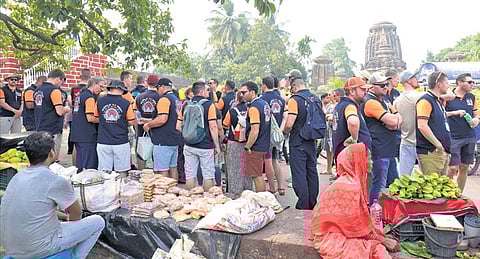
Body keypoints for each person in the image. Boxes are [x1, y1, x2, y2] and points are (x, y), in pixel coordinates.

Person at [0, 131, 105, 259]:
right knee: (98, 222)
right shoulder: (56, 181)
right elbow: (76, 214)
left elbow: (35, 211)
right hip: (37, 248)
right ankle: (76, 256)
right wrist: (70, 225)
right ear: (51, 153)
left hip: (10, 247)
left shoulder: (17, 176)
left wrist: (62, 217)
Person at [311, 143, 391, 259]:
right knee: (377, 250)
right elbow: (356, 227)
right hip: (333, 237)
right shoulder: (352, 186)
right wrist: (381, 240)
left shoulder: (347, 180)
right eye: (367, 158)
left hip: (329, 231)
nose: (371, 162)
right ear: (357, 161)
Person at [361, 72, 402, 204]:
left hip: (388, 149)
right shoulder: (370, 102)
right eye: (382, 85)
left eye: (386, 84)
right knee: (379, 185)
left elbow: (398, 117)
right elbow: (392, 121)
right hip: (380, 150)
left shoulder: (384, 99)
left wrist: (394, 122)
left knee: (393, 185)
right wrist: (393, 122)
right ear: (372, 87)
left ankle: (387, 213)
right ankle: (374, 211)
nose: (386, 87)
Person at [283, 77, 319, 209]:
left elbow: (290, 122)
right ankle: (312, 202)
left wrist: (285, 132)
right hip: (312, 140)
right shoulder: (316, 98)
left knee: (299, 174)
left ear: (294, 87)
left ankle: (303, 205)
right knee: (312, 172)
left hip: (298, 141)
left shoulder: (295, 100)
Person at [177, 81, 220, 190]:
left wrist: (189, 134)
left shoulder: (186, 104)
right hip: (206, 145)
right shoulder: (209, 105)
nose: (208, 92)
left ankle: (190, 200)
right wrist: (217, 146)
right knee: (208, 175)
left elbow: (178, 126)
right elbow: (213, 126)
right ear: (201, 91)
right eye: (207, 90)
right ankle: (207, 201)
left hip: (189, 145)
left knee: (190, 175)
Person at [445, 73, 479, 192]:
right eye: (469, 82)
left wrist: (476, 119)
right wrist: (454, 113)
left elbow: (476, 113)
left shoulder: (471, 97)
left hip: (469, 136)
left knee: (464, 167)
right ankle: (447, 193)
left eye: (473, 82)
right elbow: (440, 114)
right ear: (460, 82)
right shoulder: (449, 97)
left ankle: (458, 194)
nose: (472, 85)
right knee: (452, 168)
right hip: (453, 137)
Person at [416, 71, 454, 176]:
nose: (448, 86)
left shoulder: (438, 101)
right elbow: (422, 125)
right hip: (431, 151)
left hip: (442, 151)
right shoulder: (425, 101)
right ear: (439, 84)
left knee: (441, 185)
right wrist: (437, 144)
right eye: (446, 83)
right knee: (431, 185)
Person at [143, 78, 181, 179]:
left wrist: (149, 125)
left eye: (158, 88)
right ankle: (173, 190)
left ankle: (163, 193)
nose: (157, 91)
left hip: (163, 140)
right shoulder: (176, 99)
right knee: (173, 167)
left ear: (162, 87)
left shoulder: (164, 99)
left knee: (162, 170)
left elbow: (162, 119)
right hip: (174, 138)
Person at [95, 80, 136, 174]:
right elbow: (131, 121)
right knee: (121, 171)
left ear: (110, 89)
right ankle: (120, 187)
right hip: (120, 141)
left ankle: (106, 188)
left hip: (103, 141)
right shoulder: (126, 103)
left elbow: (96, 117)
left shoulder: (100, 101)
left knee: (105, 172)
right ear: (121, 90)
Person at [70, 76, 106, 172]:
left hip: (77, 133)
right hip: (87, 135)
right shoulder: (90, 98)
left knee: (80, 165)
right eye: (101, 87)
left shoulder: (80, 95)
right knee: (89, 167)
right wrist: (105, 120)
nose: (102, 90)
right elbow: (90, 118)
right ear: (94, 84)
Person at [241, 81, 272, 193]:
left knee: (256, 175)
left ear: (252, 92)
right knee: (259, 174)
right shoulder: (264, 104)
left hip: (256, 145)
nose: (241, 95)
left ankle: (261, 200)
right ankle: (262, 198)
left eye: (244, 92)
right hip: (264, 143)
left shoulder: (254, 108)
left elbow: (255, 129)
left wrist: (248, 146)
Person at [34, 69, 71, 161]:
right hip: (53, 128)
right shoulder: (54, 91)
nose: (61, 84)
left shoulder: (38, 90)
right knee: (52, 157)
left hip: (40, 125)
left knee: (42, 157)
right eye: (62, 81)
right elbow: (60, 111)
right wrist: (67, 108)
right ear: (58, 78)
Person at [332, 77, 372, 161]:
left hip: (344, 155)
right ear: (352, 91)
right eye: (362, 89)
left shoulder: (340, 105)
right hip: (353, 158)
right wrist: (354, 139)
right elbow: (353, 122)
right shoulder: (350, 106)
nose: (365, 92)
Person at [223, 91, 253, 195]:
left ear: (236, 99)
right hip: (248, 142)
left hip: (234, 141)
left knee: (234, 168)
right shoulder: (250, 109)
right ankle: (247, 190)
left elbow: (225, 124)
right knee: (246, 168)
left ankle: (235, 191)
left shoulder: (232, 111)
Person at [393, 71, 423, 175]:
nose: (417, 80)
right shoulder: (420, 97)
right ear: (409, 80)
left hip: (405, 141)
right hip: (422, 142)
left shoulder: (397, 101)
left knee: (404, 177)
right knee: (429, 176)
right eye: (415, 77)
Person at [260, 76, 286, 195]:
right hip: (277, 134)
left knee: (268, 161)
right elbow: (285, 115)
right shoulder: (281, 99)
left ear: (264, 85)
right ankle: (281, 186)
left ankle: (272, 187)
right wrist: (280, 131)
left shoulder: (262, 100)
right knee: (276, 160)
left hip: (266, 134)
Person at [68, 68, 91, 157]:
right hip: (88, 115)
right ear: (90, 76)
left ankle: (70, 150)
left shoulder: (74, 88)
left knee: (74, 136)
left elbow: (72, 102)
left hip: (76, 113)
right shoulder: (89, 89)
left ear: (80, 76)